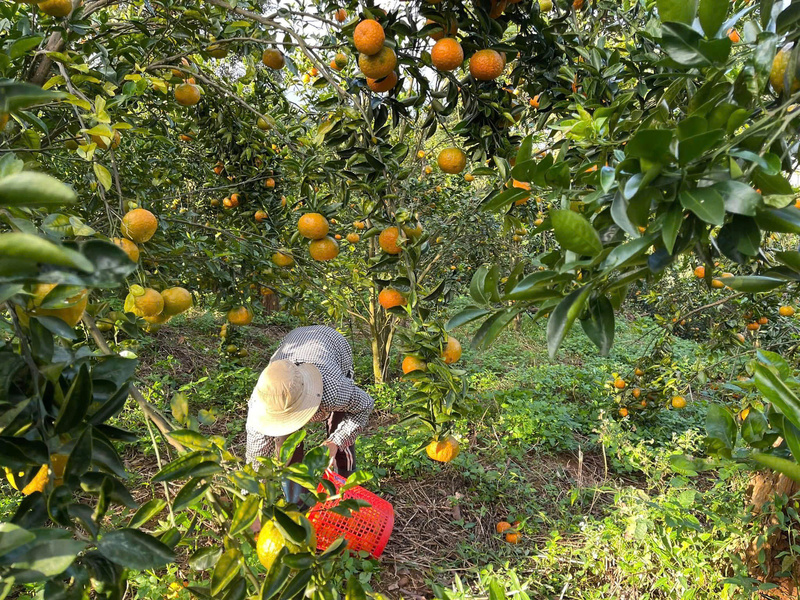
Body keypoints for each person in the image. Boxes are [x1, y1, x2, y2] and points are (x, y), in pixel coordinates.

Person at [245, 325, 374, 502]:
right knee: (285, 448)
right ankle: (296, 502)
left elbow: (364, 406)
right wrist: (251, 501)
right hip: (295, 342)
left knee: (339, 428)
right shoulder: (261, 405)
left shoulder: (332, 390)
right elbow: (255, 461)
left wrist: (335, 442)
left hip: (332, 344)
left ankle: (344, 489)